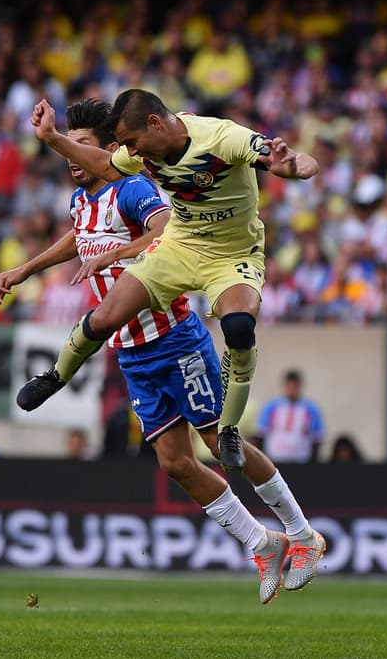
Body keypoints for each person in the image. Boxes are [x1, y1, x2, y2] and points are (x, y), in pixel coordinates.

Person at [0, 99, 326, 602]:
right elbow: (78, 239)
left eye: (83, 147)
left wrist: (293, 164)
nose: (73, 159)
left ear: (115, 145)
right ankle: (262, 543)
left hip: (173, 338)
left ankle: (304, 534)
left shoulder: (132, 186)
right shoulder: (83, 200)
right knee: (174, 463)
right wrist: (26, 268)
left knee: (220, 444)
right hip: (131, 351)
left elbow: (161, 228)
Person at [25, 89, 319, 472]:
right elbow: (104, 163)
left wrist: (292, 167)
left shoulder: (221, 138)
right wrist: (52, 139)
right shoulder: (140, 149)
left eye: (132, 143)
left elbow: (301, 161)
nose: (132, 152)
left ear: (155, 123)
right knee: (105, 317)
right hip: (179, 247)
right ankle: (55, 376)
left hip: (231, 257)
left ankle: (228, 427)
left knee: (239, 327)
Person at [255, 369, 326, 463]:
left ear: (300, 386)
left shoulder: (311, 408)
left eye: (295, 386)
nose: (292, 390)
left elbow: (317, 438)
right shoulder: (272, 407)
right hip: (274, 458)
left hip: (301, 459)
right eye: (289, 386)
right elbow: (261, 434)